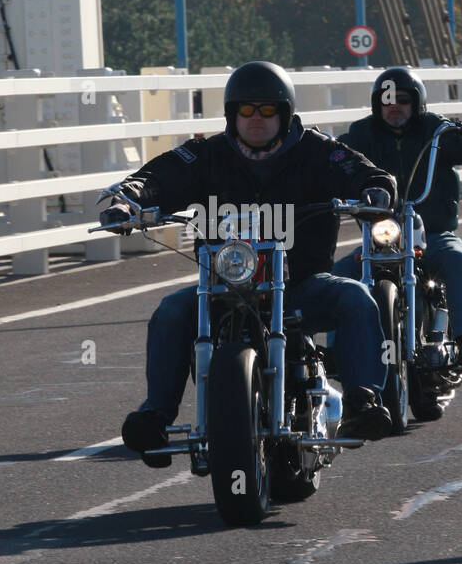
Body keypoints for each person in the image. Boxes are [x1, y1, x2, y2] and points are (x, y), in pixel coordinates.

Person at [100, 61, 399, 465]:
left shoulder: (317, 150)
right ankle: (155, 415)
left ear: (285, 114)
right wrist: (129, 199)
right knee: (171, 311)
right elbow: (160, 176)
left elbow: (359, 170)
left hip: (301, 287)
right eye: (246, 111)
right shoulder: (206, 154)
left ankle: (364, 400)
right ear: (231, 115)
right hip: (222, 290)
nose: (256, 119)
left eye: (267, 110)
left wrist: (375, 190)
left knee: (358, 298)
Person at [333, 66, 462, 370]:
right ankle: (336, 355)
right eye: (387, 100)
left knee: (457, 258)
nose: (394, 106)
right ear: (376, 104)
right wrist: (320, 149)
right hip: (379, 240)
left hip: (431, 233)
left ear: (417, 103)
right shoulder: (361, 134)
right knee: (336, 278)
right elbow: (337, 155)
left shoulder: (436, 130)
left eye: (402, 100)